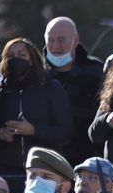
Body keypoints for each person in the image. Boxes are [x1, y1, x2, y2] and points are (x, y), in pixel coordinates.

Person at [0, 38, 73, 180]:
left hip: (45, 169)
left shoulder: (51, 87)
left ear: (32, 59)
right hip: (6, 170)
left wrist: (34, 130)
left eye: (22, 55)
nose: (16, 59)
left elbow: (65, 132)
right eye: (11, 56)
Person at [44, 16, 108, 165]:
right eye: (51, 41)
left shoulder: (96, 71)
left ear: (75, 40)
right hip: (50, 157)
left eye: (61, 40)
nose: (55, 46)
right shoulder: (39, 75)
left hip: (88, 156)